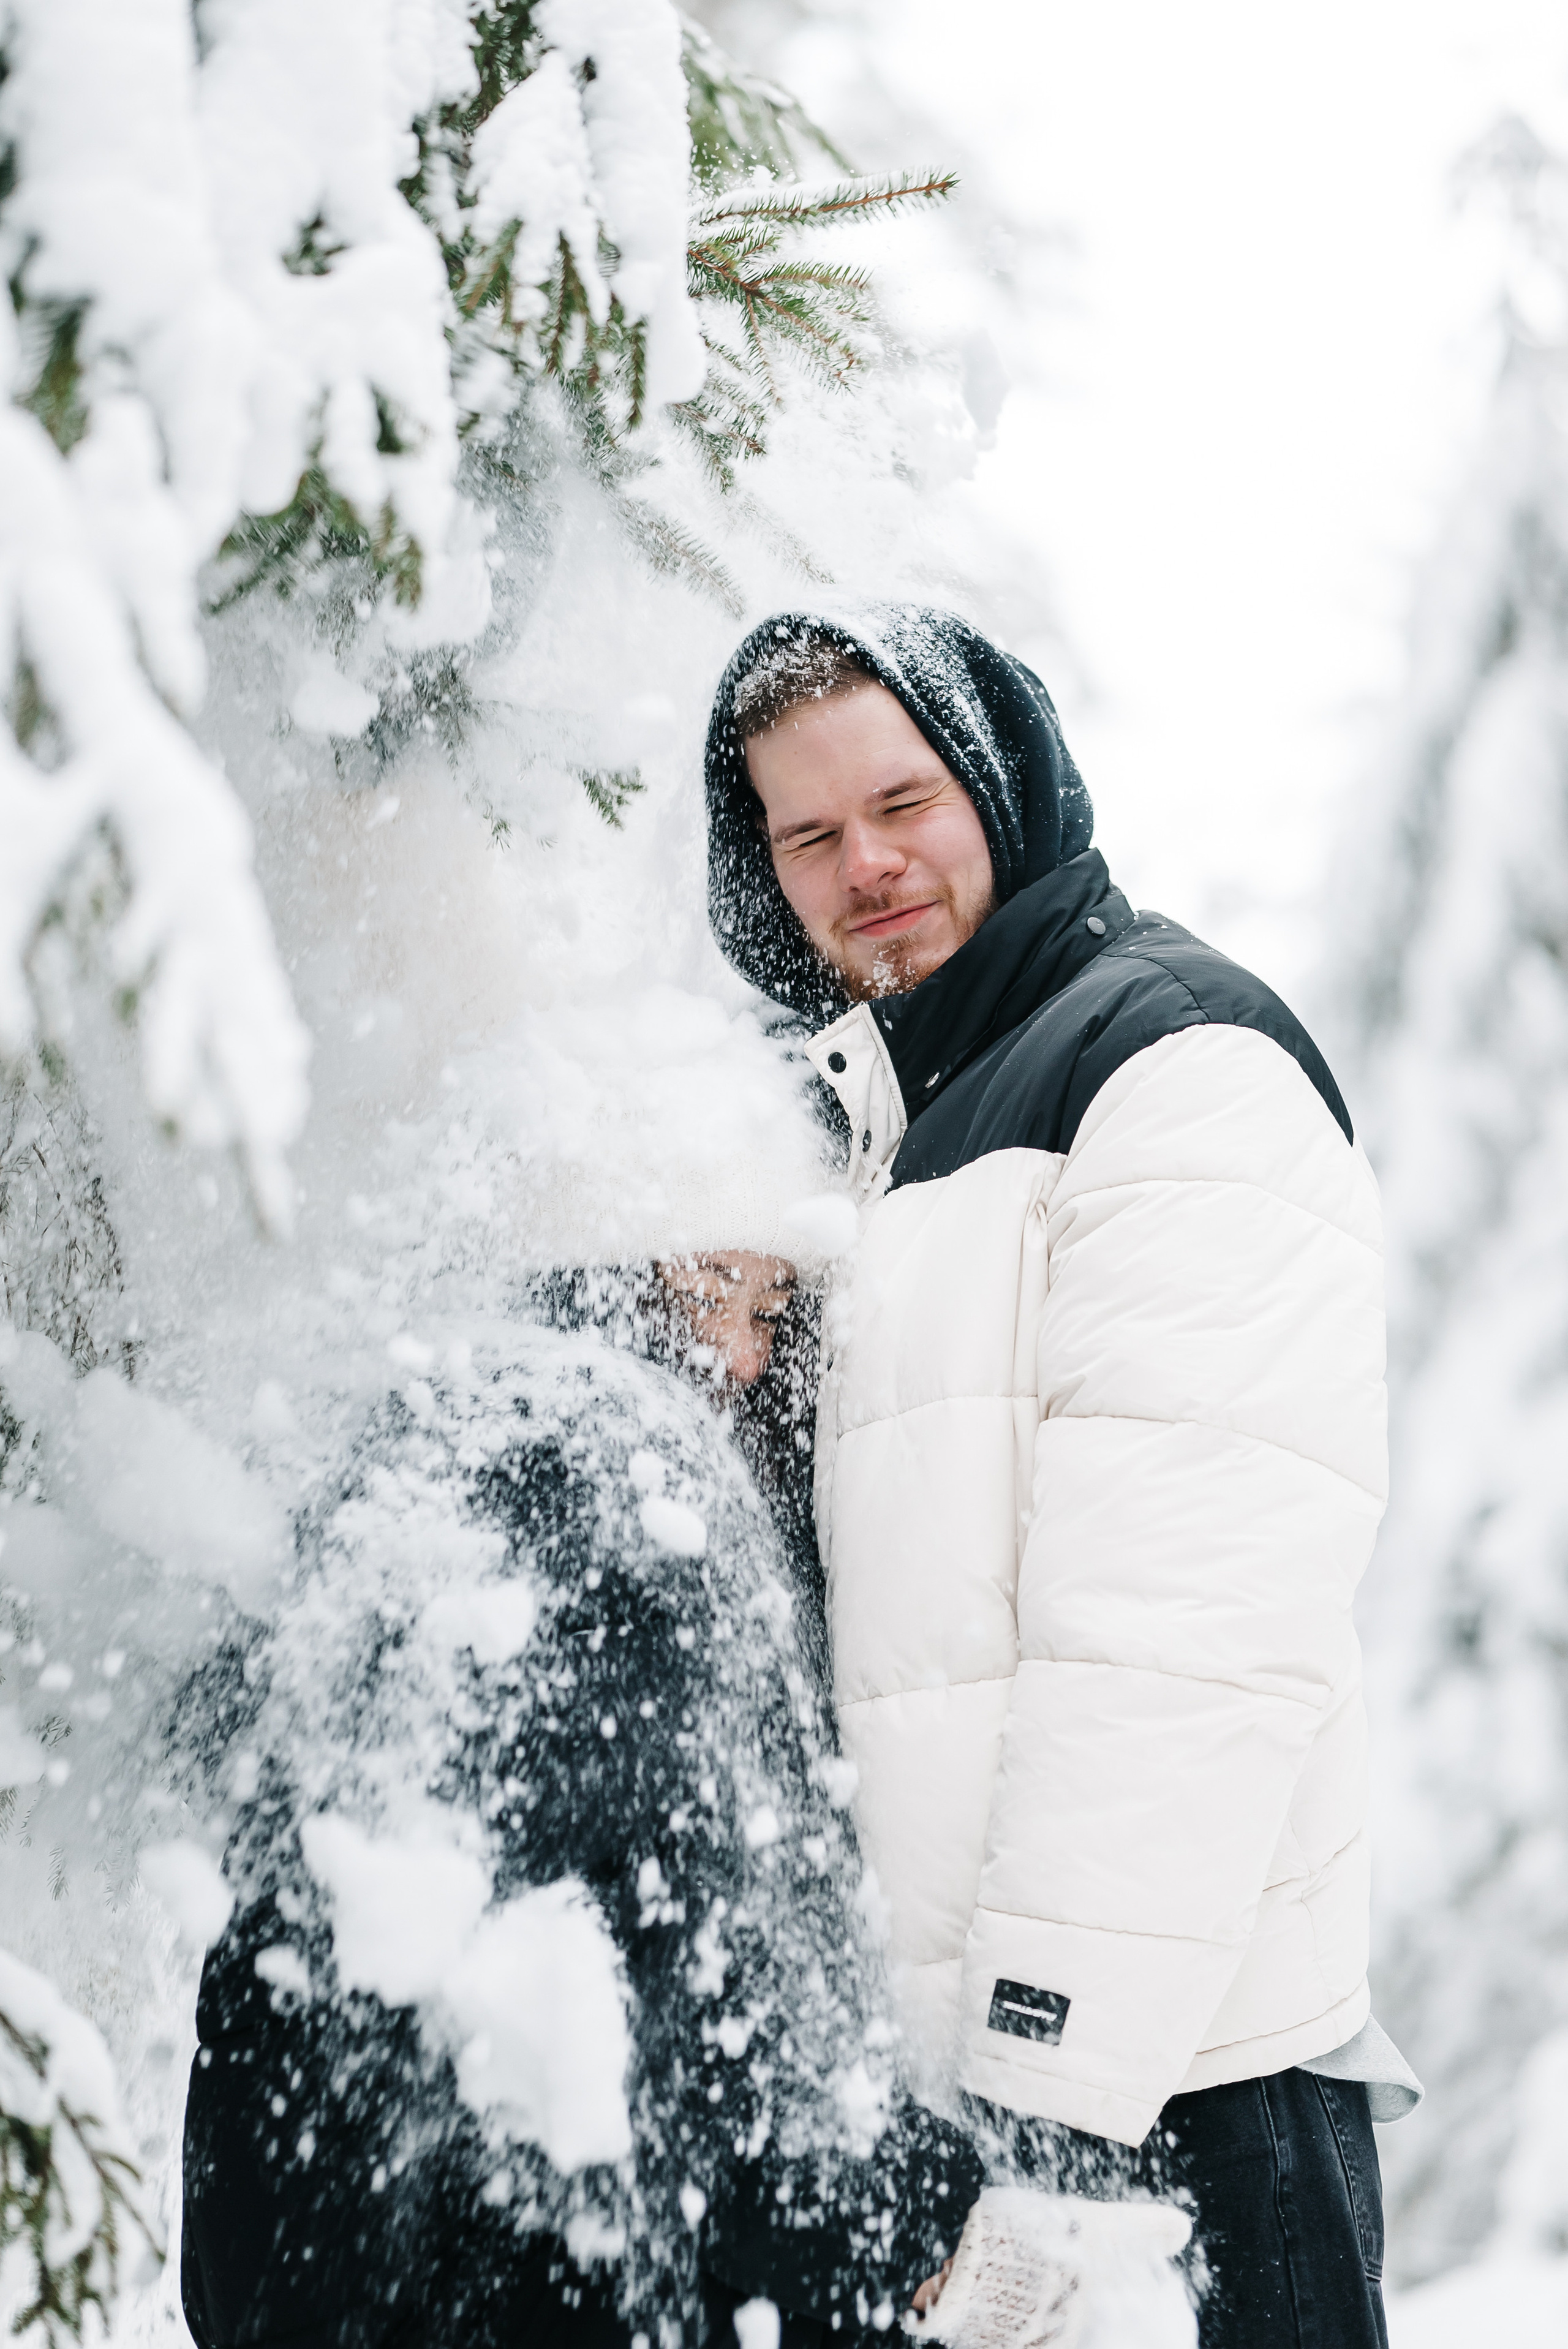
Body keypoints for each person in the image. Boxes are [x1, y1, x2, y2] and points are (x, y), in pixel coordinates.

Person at [704, 606, 1422, 2349]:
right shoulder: (874, 1143)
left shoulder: (1173, 1070)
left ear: (1005, 784)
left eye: (904, 800)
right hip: (971, 2107)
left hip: (1168, 2111)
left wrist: (1054, 2132)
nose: (864, 864)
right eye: (807, 833)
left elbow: (1176, 1645)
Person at [178, 1209, 981, 2349]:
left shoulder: (416, 1431)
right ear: (629, 1239)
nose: (752, 1358)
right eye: (721, 1290)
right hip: (513, 2286)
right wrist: (912, 2213)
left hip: (301, 2266)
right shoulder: (623, 1482)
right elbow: (719, 2039)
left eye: (770, 1314)